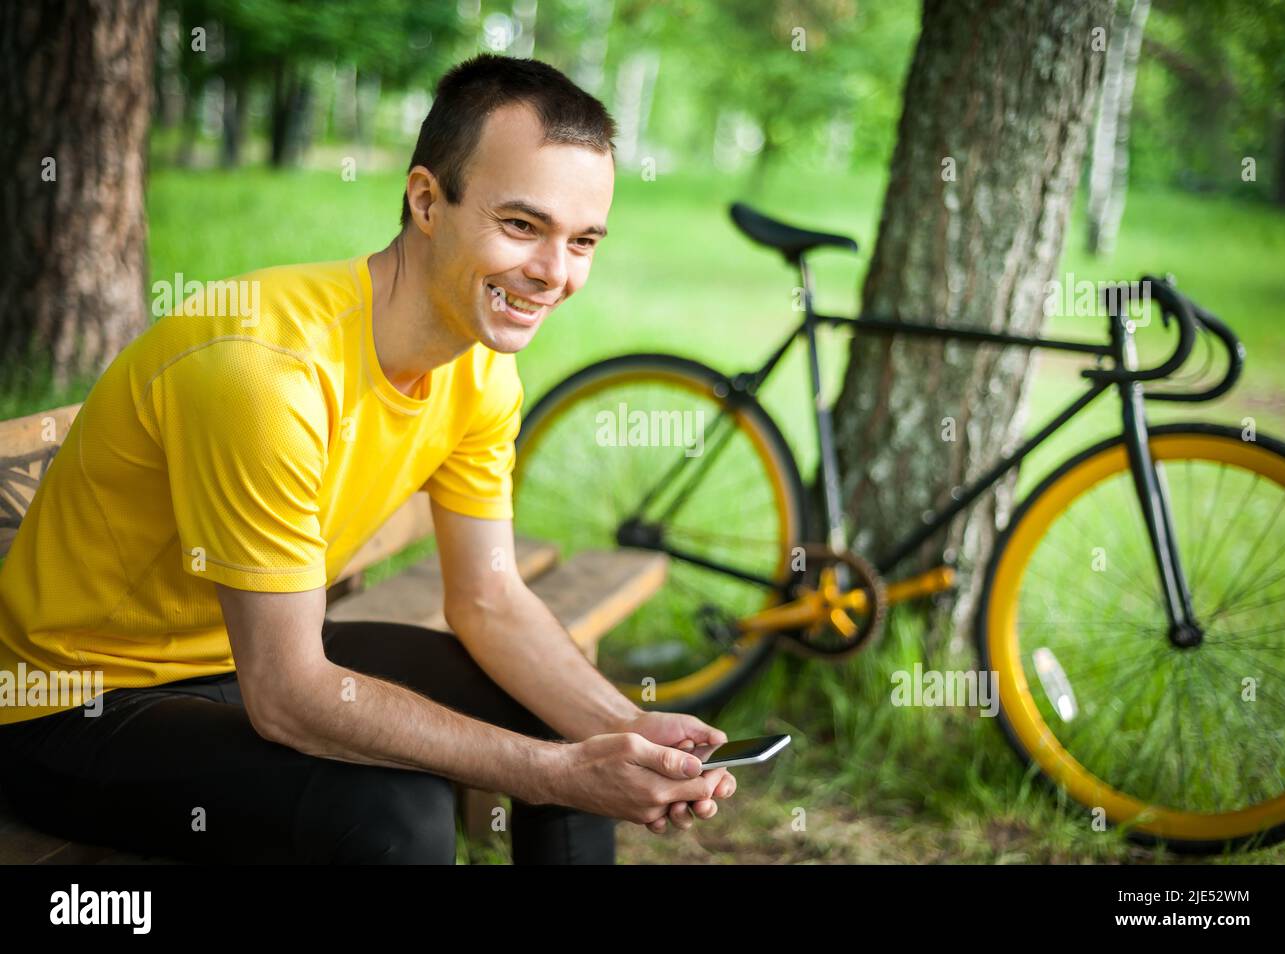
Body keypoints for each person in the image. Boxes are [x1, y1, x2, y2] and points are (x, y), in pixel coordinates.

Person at [0, 53, 735, 865]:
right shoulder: (265, 371)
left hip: (245, 658)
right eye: (522, 226)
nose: (554, 273)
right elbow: (287, 697)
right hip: (71, 708)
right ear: (427, 199)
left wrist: (624, 731)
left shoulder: (481, 368)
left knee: (545, 710)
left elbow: (489, 598)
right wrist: (559, 775)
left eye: (583, 239)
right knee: (394, 812)